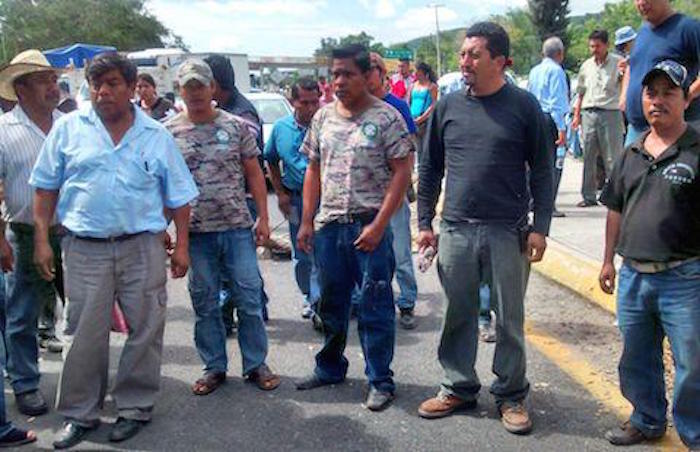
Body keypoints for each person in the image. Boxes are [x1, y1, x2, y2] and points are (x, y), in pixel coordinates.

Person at [29, 52, 198, 449]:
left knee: (146, 328)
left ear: (130, 86)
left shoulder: (156, 135)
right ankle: (80, 413)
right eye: (96, 85)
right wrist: (41, 239)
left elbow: (179, 197)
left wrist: (183, 246)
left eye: (113, 84)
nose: (103, 92)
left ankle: (134, 408)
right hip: (83, 248)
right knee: (82, 333)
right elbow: (44, 187)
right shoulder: (69, 129)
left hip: (142, 246)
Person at [417, 22, 553, 435]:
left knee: (508, 318)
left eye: (474, 54)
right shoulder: (447, 107)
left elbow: (544, 172)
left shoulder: (525, 107)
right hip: (456, 228)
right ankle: (458, 386)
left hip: (506, 231)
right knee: (456, 314)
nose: (464, 62)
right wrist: (425, 222)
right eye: (462, 54)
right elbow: (430, 169)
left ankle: (511, 394)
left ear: (500, 60)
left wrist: (540, 227)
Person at [295, 44, 412, 411]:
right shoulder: (323, 118)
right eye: (335, 74)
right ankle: (330, 367)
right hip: (330, 227)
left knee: (375, 306)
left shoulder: (387, 118)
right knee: (330, 304)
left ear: (367, 76)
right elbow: (313, 168)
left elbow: (402, 174)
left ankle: (380, 380)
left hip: (369, 230)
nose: (340, 81)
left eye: (347, 74)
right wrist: (306, 221)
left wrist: (379, 225)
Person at [599, 60, 699, 449]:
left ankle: (695, 432)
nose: (657, 100)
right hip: (633, 276)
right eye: (650, 93)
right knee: (637, 357)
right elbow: (614, 208)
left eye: (668, 93)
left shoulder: (696, 148)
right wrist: (608, 260)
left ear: (685, 100)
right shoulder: (632, 151)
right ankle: (646, 419)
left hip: (684, 277)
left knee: (692, 363)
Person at [165, 59, 281, 395]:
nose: (196, 92)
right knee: (205, 303)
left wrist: (264, 218)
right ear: (180, 90)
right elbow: (163, 183)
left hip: (236, 229)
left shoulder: (235, 126)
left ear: (213, 88)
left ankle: (256, 364)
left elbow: (255, 173)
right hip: (196, 234)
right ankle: (214, 366)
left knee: (248, 298)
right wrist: (164, 229)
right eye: (189, 86)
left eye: (201, 85)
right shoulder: (168, 131)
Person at [0, 49, 65, 418]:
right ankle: (25, 384)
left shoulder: (69, 125)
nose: (52, 87)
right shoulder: (4, 131)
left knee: (81, 312)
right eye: (43, 81)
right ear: (21, 88)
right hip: (24, 235)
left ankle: (82, 382)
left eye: (53, 80)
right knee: (21, 314)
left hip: (72, 234)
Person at [204, 54, 270, 329]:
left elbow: (251, 165)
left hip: (239, 201)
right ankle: (257, 304)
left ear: (216, 83)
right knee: (238, 266)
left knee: (236, 266)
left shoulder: (241, 114)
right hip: (223, 203)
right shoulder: (221, 108)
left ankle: (240, 310)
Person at [367, 52, 419, 330]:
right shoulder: (356, 107)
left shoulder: (397, 106)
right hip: (366, 199)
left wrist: (402, 186)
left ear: (381, 74)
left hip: (394, 196)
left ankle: (407, 301)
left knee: (400, 251)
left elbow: (409, 149)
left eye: (371, 69)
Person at [264, 77, 322, 323]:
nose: (310, 109)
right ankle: (309, 296)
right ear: (292, 102)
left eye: (315, 102)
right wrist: (280, 193)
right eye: (304, 103)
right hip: (296, 200)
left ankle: (323, 301)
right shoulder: (280, 129)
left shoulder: (327, 125)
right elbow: (271, 159)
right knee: (302, 253)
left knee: (326, 252)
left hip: (325, 200)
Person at [621, 0, 700, 146]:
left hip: (676, 133)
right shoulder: (642, 33)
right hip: (637, 130)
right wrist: (624, 95)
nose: (641, 3)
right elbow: (632, 66)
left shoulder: (689, 28)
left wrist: (688, 94)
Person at [571, 30, 625, 208]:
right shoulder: (586, 66)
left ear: (606, 45)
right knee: (588, 156)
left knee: (612, 157)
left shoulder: (618, 63)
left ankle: (615, 196)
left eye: (598, 46)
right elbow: (580, 92)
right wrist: (577, 115)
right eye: (591, 46)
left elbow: (626, 84)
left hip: (610, 112)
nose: (594, 49)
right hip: (589, 113)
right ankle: (588, 196)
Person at [528, 36, 569, 217]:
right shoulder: (556, 71)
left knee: (534, 163)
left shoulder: (534, 71)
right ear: (560, 54)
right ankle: (547, 204)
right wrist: (561, 128)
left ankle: (531, 200)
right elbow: (557, 101)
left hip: (534, 117)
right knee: (551, 164)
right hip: (549, 120)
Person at [408, 62, 438, 142]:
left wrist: (422, 118)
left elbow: (433, 104)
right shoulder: (412, 86)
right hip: (413, 118)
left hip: (425, 121)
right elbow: (409, 102)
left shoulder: (431, 86)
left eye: (416, 71)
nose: (414, 73)